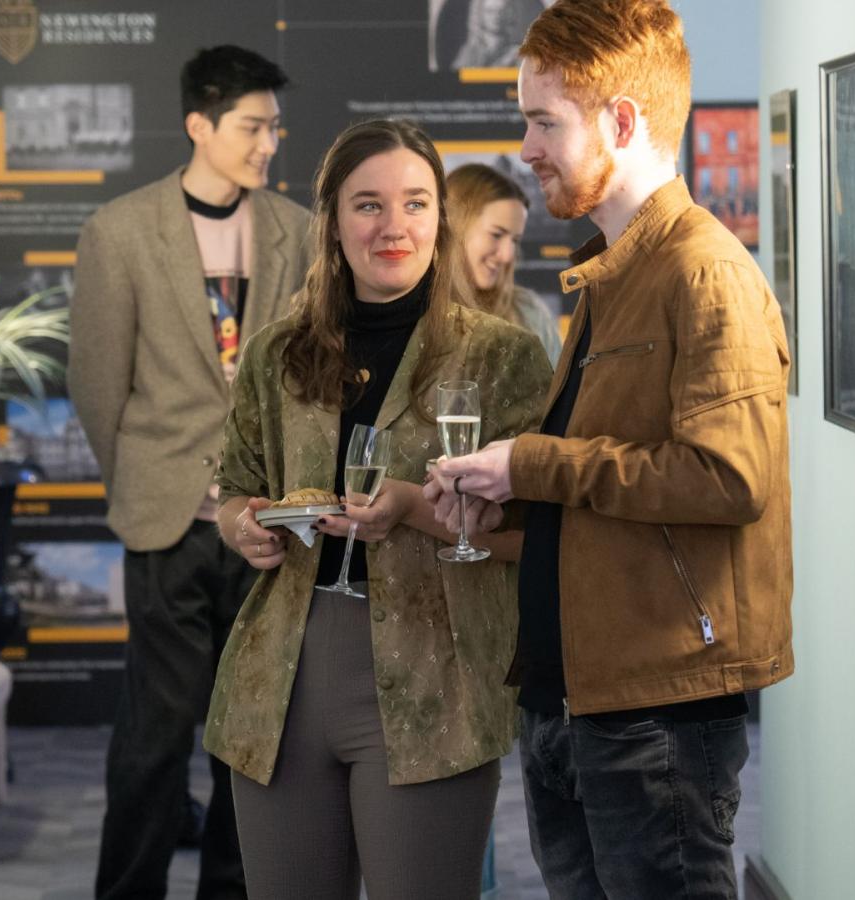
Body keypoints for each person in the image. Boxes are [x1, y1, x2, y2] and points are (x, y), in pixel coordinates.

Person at [430, 1, 795, 897]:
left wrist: (530, 464)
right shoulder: (613, 272)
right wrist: (503, 497)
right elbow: (615, 472)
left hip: (655, 713)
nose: (525, 147)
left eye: (543, 121)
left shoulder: (703, 274)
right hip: (577, 699)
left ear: (621, 121)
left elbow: (728, 476)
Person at [204, 118, 551, 900]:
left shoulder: (503, 357)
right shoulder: (275, 352)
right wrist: (243, 527)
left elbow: (540, 535)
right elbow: (235, 488)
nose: (393, 225)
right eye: (368, 205)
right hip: (281, 681)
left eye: (415, 203)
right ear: (331, 223)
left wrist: (412, 511)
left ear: (441, 219)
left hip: (437, 676)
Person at [67, 45, 312, 900]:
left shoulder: (296, 230)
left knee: (250, 738)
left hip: (267, 526)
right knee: (154, 734)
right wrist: (145, 477)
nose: (268, 143)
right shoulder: (121, 231)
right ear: (199, 125)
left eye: (274, 127)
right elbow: (98, 384)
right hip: (167, 519)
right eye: (252, 126)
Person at [445, 162, 563, 364]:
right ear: (455, 228)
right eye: (496, 235)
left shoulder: (530, 313)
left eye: (515, 240)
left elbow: (566, 392)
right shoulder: (412, 315)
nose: (508, 255)